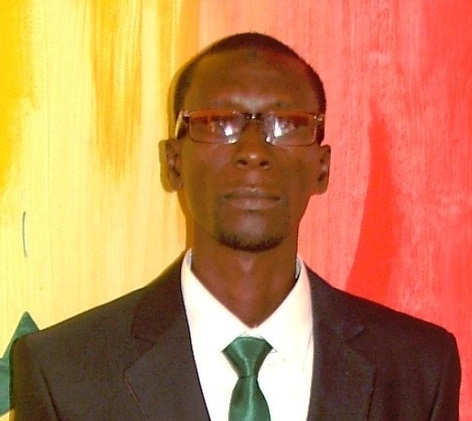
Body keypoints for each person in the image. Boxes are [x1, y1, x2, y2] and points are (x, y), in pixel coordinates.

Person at [10, 32, 460, 421]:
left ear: (322, 168)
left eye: (287, 125)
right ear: (173, 162)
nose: (253, 151)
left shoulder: (418, 369)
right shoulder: (65, 372)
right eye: (218, 123)